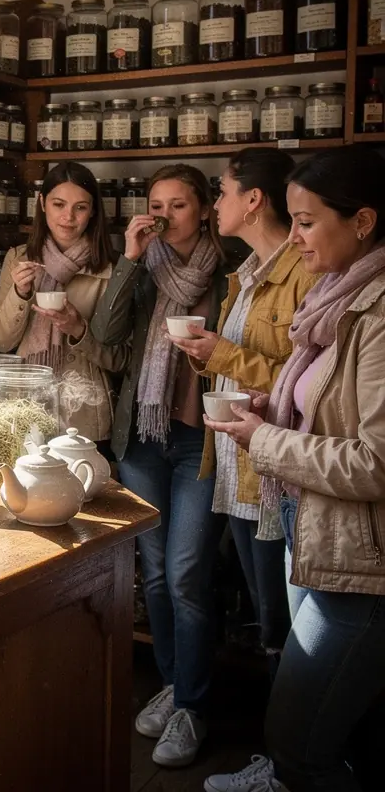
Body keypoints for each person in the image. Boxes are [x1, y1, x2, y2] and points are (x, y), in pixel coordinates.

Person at [204, 146, 385, 792]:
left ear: (362, 221)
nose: (296, 237)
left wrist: (266, 441)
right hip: (313, 522)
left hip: (363, 564)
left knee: (297, 739)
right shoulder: (338, 293)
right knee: (329, 732)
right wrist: (271, 407)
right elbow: (323, 403)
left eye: (306, 222)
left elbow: (376, 462)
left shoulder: (379, 312)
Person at [90, 163, 228, 768]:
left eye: (178, 205)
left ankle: (194, 706)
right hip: (143, 439)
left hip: (200, 443)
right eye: (157, 204)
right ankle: (174, 687)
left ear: (203, 209)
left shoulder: (230, 271)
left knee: (186, 575)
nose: (166, 215)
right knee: (153, 571)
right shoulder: (144, 268)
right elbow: (106, 331)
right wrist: (127, 258)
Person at [168, 150, 314, 687]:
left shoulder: (303, 274)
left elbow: (307, 382)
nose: (215, 205)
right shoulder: (246, 274)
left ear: (253, 201)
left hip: (272, 474)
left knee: (284, 624)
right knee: (269, 619)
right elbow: (240, 369)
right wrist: (208, 355)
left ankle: (290, 763)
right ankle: (281, 756)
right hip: (236, 466)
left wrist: (222, 355)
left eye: (223, 192)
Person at [0, 161, 125, 441]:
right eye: (58, 204)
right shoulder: (18, 259)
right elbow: (0, 342)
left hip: (85, 416)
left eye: (80, 207)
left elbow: (122, 359)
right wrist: (20, 294)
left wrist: (79, 330)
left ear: (93, 211)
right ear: (42, 203)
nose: (68, 217)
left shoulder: (113, 270)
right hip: (26, 409)